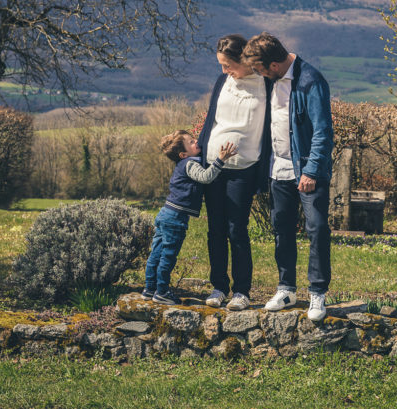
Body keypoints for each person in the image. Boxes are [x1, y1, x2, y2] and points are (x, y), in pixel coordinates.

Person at [243, 32, 334, 321]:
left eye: (259, 69)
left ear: (273, 64)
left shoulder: (310, 80)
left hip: (307, 171)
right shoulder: (270, 82)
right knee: (281, 228)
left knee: (317, 228)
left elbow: (322, 131)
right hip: (277, 170)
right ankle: (286, 288)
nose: (258, 74)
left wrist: (311, 171)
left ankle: (317, 293)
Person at [197, 34, 272, 311]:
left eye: (228, 65)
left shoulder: (266, 84)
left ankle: (241, 290)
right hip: (213, 166)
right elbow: (211, 121)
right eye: (221, 65)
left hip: (244, 168)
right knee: (215, 229)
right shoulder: (223, 82)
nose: (224, 71)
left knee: (236, 229)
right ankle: (218, 286)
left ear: (245, 59)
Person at [142, 130, 237, 305]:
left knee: (156, 253)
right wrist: (221, 160)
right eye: (192, 142)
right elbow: (206, 177)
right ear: (183, 154)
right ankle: (161, 291)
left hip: (165, 213)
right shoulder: (189, 164)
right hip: (175, 218)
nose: (196, 142)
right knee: (167, 256)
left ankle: (149, 289)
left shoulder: (182, 164)